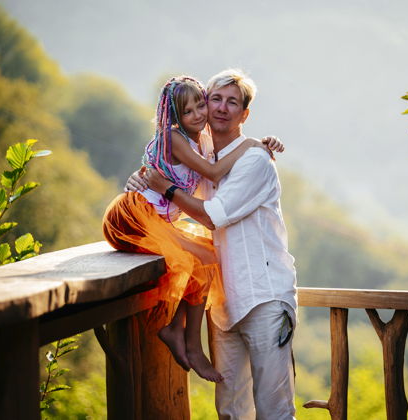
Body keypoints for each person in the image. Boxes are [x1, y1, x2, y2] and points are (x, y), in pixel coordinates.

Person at [133, 69, 297, 420]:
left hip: (264, 299)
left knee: (274, 411)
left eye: (232, 102)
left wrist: (166, 189)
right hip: (223, 306)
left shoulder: (254, 160)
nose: (222, 108)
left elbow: (212, 216)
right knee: (231, 411)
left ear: (244, 114)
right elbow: (166, 167)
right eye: (215, 99)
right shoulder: (203, 155)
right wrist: (143, 178)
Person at [103, 75, 283, 383]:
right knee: (202, 259)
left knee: (207, 255)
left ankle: (178, 329)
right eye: (189, 111)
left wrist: (264, 142)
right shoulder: (174, 137)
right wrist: (251, 144)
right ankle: (190, 343)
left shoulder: (201, 141)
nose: (199, 114)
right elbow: (213, 172)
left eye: (201, 105)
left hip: (155, 216)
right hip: (134, 214)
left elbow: (205, 165)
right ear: (176, 116)